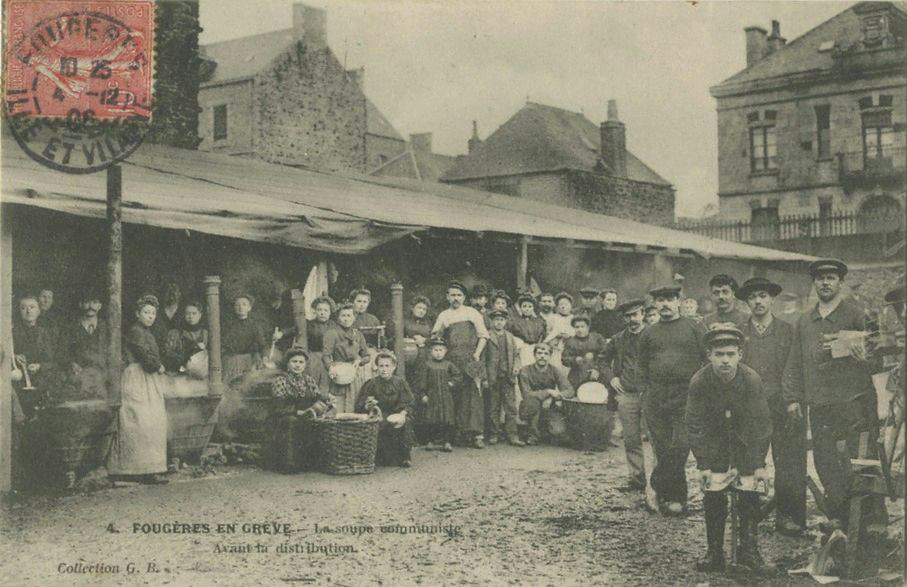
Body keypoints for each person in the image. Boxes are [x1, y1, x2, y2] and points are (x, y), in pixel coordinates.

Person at [782, 259, 882, 529]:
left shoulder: (857, 315)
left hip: (855, 402)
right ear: (814, 283)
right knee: (825, 461)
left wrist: (864, 358)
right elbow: (794, 362)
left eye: (831, 278)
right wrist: (792, 398)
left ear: (840, 282)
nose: (825, 283)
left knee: (861, 460)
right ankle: (839, 516)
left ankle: (872, 520)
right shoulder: (805, 321)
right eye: (820, 278)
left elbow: (878, 361)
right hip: (821, 403)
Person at [687, 325, 772, 573]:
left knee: (749, 492)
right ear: (709, 355)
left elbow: (761, 424)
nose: (725, 360)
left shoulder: (751, 379)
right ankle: (714, 553)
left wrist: (758, 464)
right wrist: (702, 463)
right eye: (719, 354)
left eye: (730, 354)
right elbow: (694, 423)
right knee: (713, 493)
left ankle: (749, 551)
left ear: (740, 355)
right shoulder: (700, 381)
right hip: (715, 444)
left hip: (745, 442)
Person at [737, 277, 804, 536]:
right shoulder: (740, 334)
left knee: (789, 461)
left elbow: (794, 367)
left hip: (782, 405)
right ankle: (749, 513)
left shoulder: (788, 331)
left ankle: (789, 516)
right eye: (752, 297)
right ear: (746, 303)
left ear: (771, 299)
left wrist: (792, 399)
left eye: (762, 295)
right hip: (750, 407)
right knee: (750, 459)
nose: (758, 301)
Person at [640, 284, 706, 515]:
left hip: (687, 396)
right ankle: (674, 499)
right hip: (657, 398)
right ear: (655, 305)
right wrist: (647, 394)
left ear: (679, 301)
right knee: (663, 446)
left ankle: (657, 483)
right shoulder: (649, 332)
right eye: (660, 300)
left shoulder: (694, 327)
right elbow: (643, 366)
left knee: (680, 444)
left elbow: (706, 359)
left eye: (670, 299)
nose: (665, 304)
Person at [108, 295, 169, 485]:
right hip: (137, 378)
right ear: (137, 314)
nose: (150, 316)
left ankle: (151, 469)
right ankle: (130, 469)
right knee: (139, 422)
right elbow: (145, 357)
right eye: (146, 313)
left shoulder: (146, 332)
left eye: (153, 313)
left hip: (147, 380)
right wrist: (158, 366)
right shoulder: (135, 332)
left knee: (152, 422)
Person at [432, 280, 489, 449]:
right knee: (454, 396)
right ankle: (457, 433)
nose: (455, 298)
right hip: (452, 361)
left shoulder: (472, 313)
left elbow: (483, 336)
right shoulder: (443, 315)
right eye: (452, 295)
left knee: (474, 397)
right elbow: (436, 336)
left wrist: (476, 354)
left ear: (464, 297)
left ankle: (477, 434)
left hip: (470, 360)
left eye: (459, 295)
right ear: (447, 297)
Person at [601, 299, 648, 491]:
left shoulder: (654, 335)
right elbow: (602, 360)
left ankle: (659, 482)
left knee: (656, 439)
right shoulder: (618, 339)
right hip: (627, 394)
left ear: (643, 314)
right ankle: (637, 479)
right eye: (628, 316)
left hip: (651, 395)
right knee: (631, 438)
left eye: (635, 314)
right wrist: (612, 378)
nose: (632, 319)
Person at [268, 348, 332, 473]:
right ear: (288, 363)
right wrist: (298, 412)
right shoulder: (281, 381)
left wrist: (326, 401)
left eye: (301, 362)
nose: (297, 365)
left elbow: (317, 398)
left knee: (322, 422)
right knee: (291, 422)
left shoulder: (308, 380)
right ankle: (289, 463)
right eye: (294, 361)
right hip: (285, 417)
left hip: (307, 415)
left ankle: (313, 462)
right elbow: (278, 406)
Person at [355, 351, 414, 467]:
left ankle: (405, 457)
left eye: (387, 366)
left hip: (396, 414)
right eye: (381, 366)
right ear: (377, 367)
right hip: (378, 415)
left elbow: (408, 402)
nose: (384, 369)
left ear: (393, 367)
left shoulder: (400, 383)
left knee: (404, 423)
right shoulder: (371, 383)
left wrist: (402, 414)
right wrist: (368, 406)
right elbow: (360, 405)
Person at [517, 343, 574, 445]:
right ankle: (532, 434)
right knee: (532, 403)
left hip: (549, 405)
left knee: (559, 432)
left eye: (546, 353)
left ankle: (544, 432)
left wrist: (554, 397)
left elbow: (569, 390)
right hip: (531, 405)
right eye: (539, 353)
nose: (542, 356)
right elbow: (526, 394)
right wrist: (547, 392)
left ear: (550, 356)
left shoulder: (554, 370)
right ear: (534, 355)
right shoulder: (525, 371)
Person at [12, 293, 58, 416]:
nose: (28, 311)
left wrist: (39, 366)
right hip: (18, 380)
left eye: (32, 307)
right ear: (19, 311)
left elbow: (51, 362)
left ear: (38, 311)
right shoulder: (12, 332)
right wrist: (14, 357)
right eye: (23, 308)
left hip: (39, 380)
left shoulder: (44, 334)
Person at [412, 338, 461, 452]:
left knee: (447, 418)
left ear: (445, 351)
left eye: (440, 350)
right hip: (432, 395)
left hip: (445, 396)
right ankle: (430, 441)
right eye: (435, 350)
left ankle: (447, 441)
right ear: (431, 351)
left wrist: (452, 383)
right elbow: (422, 381)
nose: (438, 353)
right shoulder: (427, 365)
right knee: (431, 418)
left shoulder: (448, 365)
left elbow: (458, 376)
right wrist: (423, 394)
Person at [483, 309, 523, 446]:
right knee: (493, 407)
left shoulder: (510, 336)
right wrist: (484, 378)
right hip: (493, 377)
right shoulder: (487, 336)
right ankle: (494, 434)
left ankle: (512, 435)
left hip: (508, 377)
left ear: (505, 322)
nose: (499, 322)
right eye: (496, 320)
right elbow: (482, 358)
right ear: (491, 321)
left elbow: (517, 355)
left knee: (511, 407)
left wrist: (517, 366)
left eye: (501, 320)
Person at [322, 302, 371, 413]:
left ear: (354, 318)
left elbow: (367, 356)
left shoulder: (358, 334)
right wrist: (331, 368)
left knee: (354, 403)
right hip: (338, 373)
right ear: (338, 318)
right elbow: (325, 355)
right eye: (343, 315)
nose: (346, 319)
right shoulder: (332, 333)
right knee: (338, 406)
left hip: (354, 375)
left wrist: (359, 360)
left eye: (349, 315)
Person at [63, 291, 108, 398]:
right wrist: (71, 364)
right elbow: (62, 352)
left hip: (102, 374)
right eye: (87, 302)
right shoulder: (71, 327)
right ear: (81, 305)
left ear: (100, 306)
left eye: (95, 302)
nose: (91, 306)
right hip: (79, 373)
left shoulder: (107, 327)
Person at [222, 294, 268, 386]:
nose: (240, 307)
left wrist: (265, 356)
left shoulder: (255, 325)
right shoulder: (228, 325)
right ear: (234, 308)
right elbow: (224, 344)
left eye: (244, 304)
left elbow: (263, 345)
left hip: (250, 358)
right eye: (237, 305)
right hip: (232, 359)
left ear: (249, 308)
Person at [162, 300, 208, 375]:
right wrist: (184, 359)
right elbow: (167, 353)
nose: (191, 316)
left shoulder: (205, 334)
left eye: (194, 313)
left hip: (200, 372)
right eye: (188, 313)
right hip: (178, 373)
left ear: (200, 315)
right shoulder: (175, 333)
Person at [561, 315, 607, 390]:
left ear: (588, 327)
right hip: (578, 374)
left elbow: (605, 355)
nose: (580, 329)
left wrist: (596, 368)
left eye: (582, 326)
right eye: (577, 327)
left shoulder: (597, 338)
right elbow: (564, 359)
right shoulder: (570, 342)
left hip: (597, 371)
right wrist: (575, 359)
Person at [151, 282, 182, 349]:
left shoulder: (183, 312)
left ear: (179, 294)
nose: (171, 294)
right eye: (168, 291)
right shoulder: (158, 312)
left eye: (174, 291)